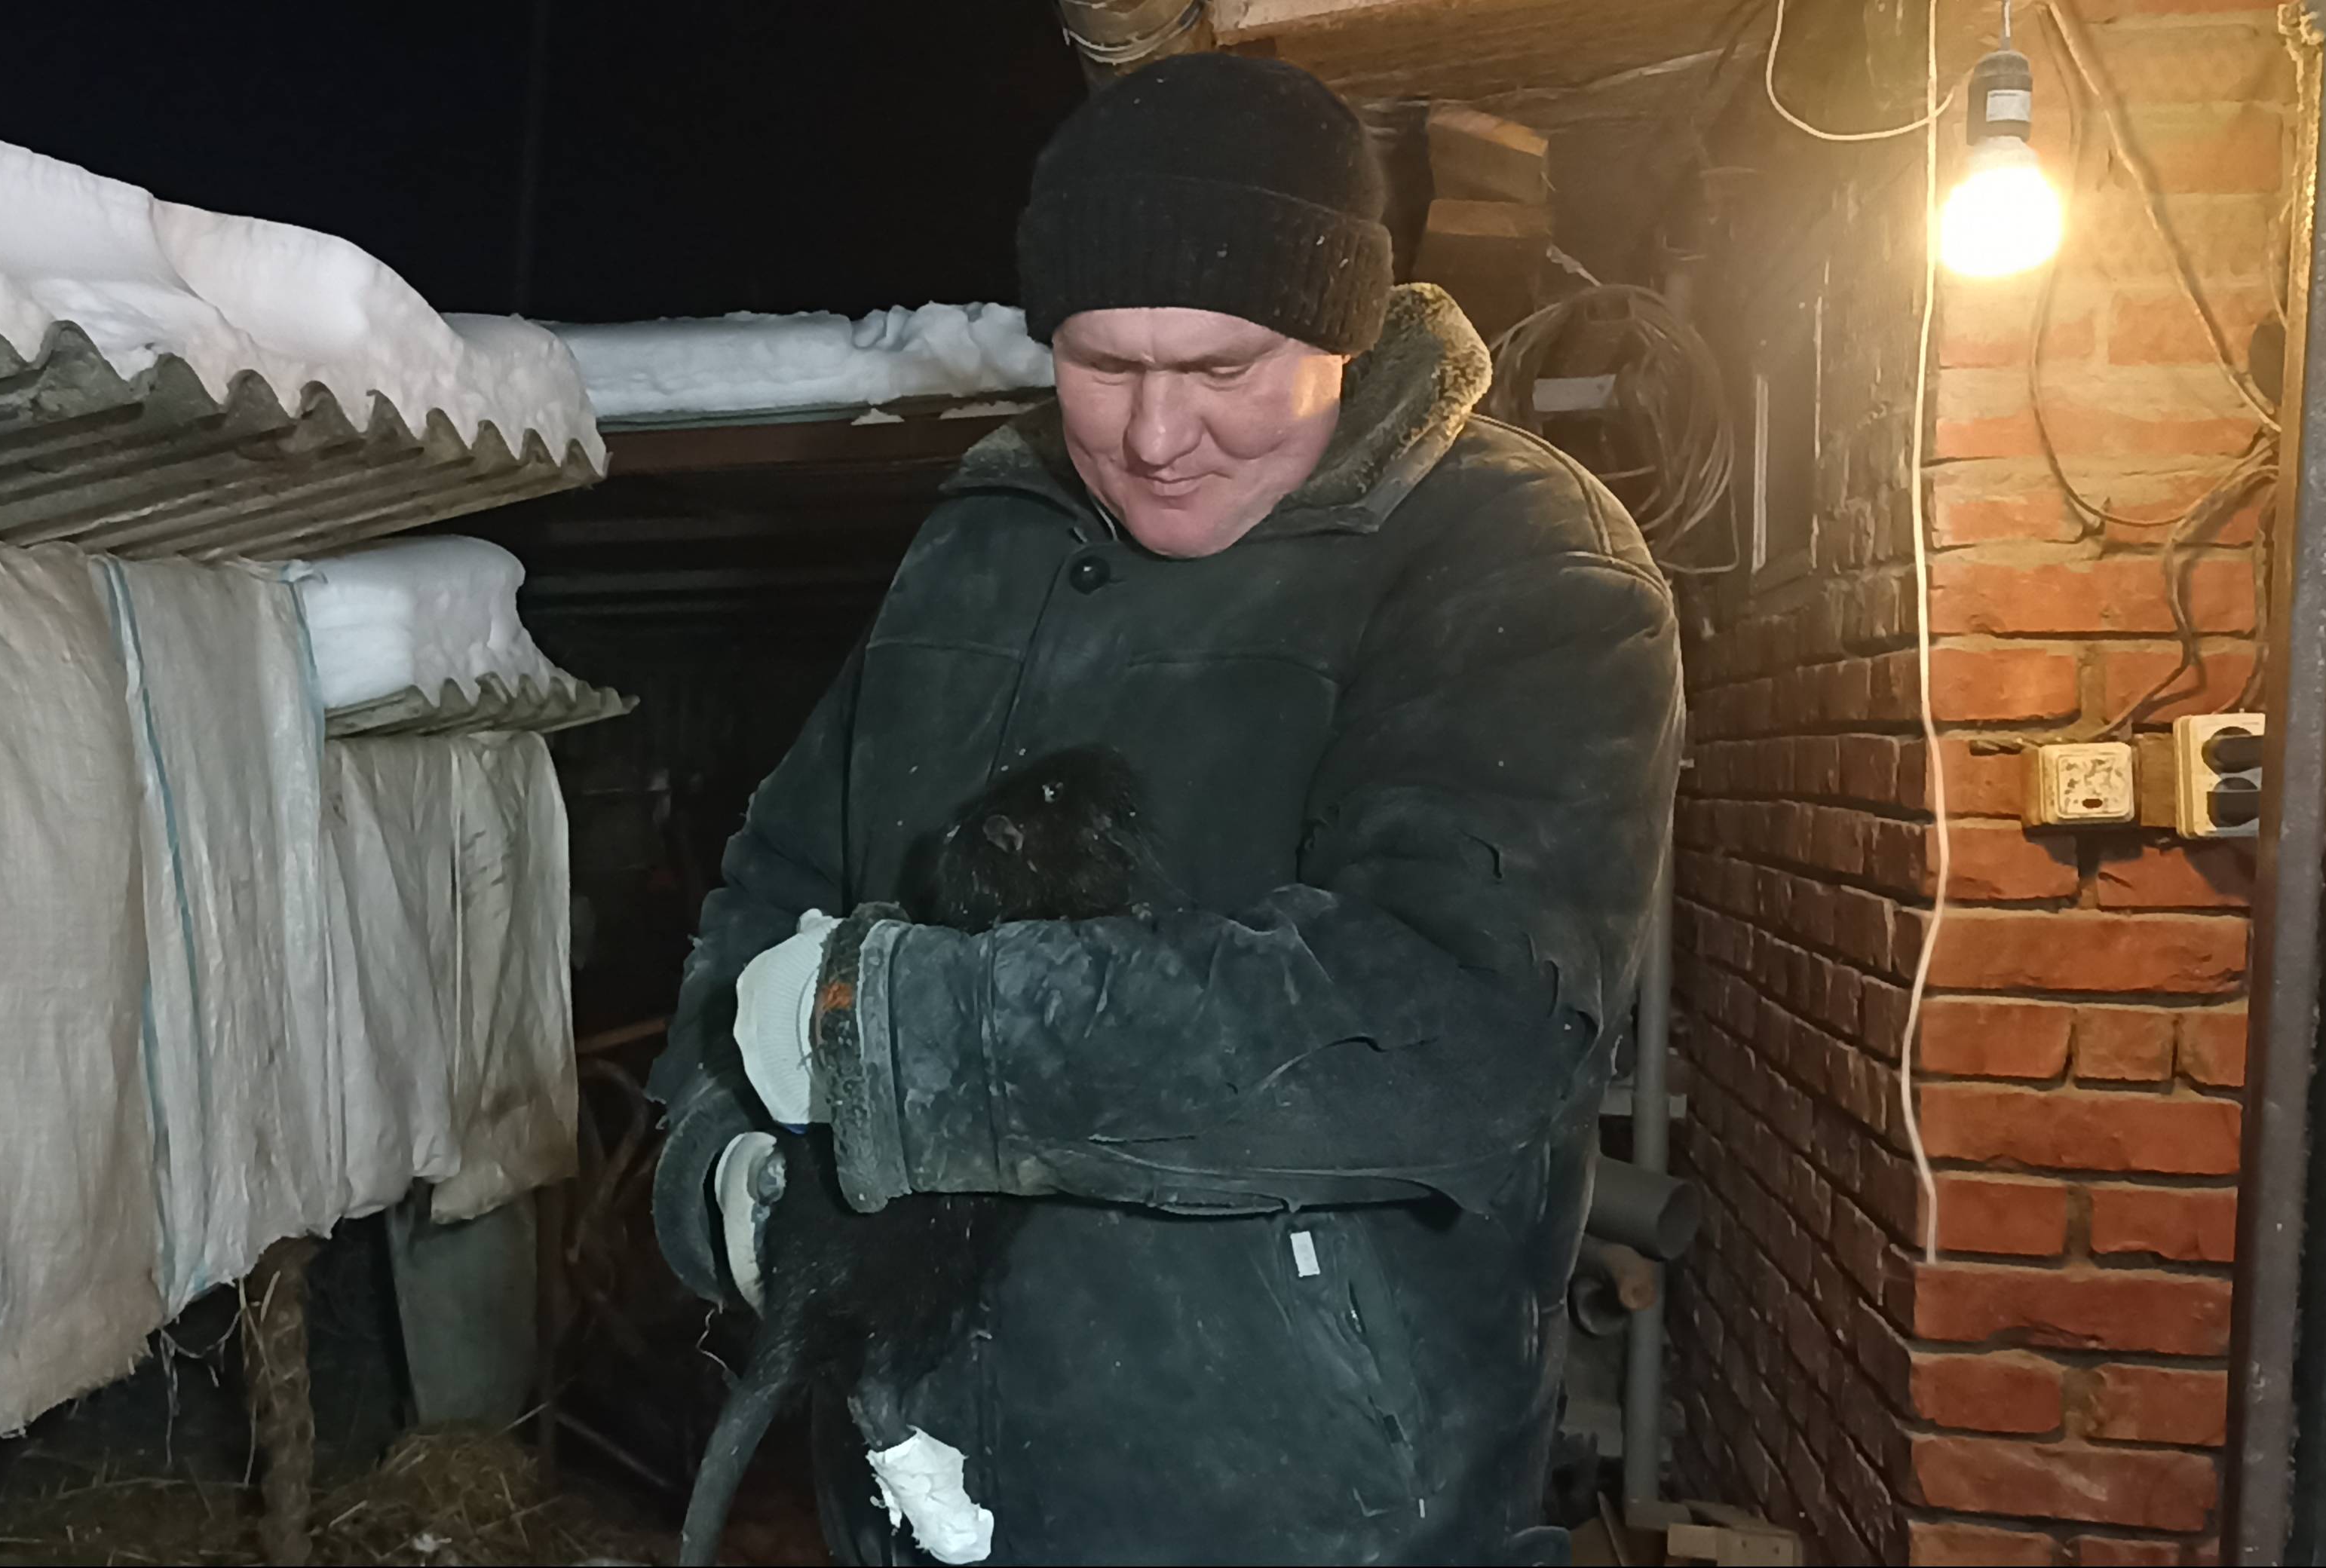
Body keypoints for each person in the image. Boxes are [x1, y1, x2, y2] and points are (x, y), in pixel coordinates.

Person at [646, 51, 1682, 1566]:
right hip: (917, 1485)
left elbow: (1451, 1028)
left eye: (1220, 368)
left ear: (1341, 331)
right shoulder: (982, 544)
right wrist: (719, 1165)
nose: (1151, 433)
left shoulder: (1511, 556)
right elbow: (779, 876)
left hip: (1290, 1514)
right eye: (1100, 364)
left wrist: (903, 1038)